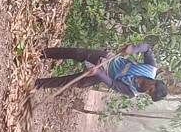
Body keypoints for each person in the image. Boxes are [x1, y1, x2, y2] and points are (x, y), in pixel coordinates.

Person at [35, 42, 167, 100]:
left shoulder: (133, 92)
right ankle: (41, 54)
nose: (147, 91)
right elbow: (147, 48)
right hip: (109, 60)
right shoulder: (151, 68)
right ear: (154, 82)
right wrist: (133, 50)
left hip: (104, 75)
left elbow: (113, 84)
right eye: (151, 90)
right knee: (77, 53)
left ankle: (37, 84)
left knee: (73, 82)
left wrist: (98, 73)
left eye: (149, 94)